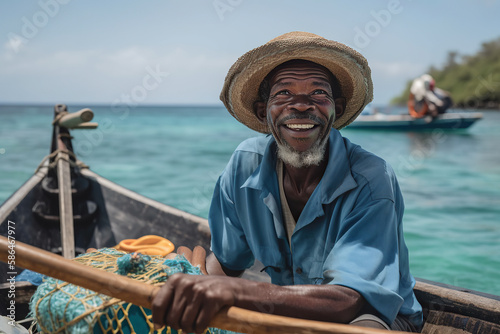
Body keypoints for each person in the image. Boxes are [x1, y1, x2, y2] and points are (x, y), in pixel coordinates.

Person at [152, 31, 423, 333]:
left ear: (338, 109)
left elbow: (348, 299)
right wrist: (193, 281)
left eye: (318, 93)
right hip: (289, 315)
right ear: (262, 112)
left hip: (370, 317)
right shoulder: (243, 165)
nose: (302, 105)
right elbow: (226, 265)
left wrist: (235, 293)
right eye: (283, 94)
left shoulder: (371, 178)